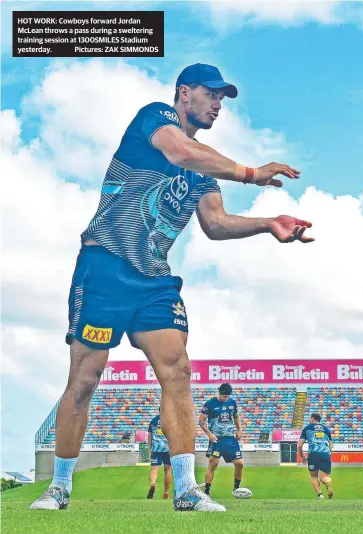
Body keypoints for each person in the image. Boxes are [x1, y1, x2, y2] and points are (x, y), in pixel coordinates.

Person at [30, 62, 314, 513]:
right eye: (212, 94)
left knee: (178, 371)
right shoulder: (156, 119)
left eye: (224, 98)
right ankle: (59, 486)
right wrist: (250, 173)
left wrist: (267, 223)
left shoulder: (205, 170)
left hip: (154, 281)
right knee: (85, 380)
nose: (219, 104)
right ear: (185, 93)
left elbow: (216, 224)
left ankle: (185, 490)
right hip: (104, 267)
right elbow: (180, 152)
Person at [199, 383, 244, 497]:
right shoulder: (210, 403)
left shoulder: (232, 403)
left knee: (239, 464)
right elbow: (201, 421)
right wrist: (209, 434)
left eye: (228, 396)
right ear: (219, 393)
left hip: (230, 439)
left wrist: (240, 430)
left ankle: (236, 489)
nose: (226, 398)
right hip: (216, 439)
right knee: (213, 464)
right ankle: (207, 492)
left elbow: (236, 416)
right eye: (224, 396)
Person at [297, 413, 334, 499]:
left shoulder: (307, 428)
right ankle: (328, 482)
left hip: (314, 454)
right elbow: (330, 447)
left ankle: (320, 495)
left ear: (313, 419)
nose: (308, 420)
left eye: (309, 418)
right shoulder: (326, 429)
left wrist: (302, 457)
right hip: (326, 453)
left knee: (313, 476)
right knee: (324, 477)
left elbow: (299, 445)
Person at [147, 410, 172, 500]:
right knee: (168, 470)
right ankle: (166, 493)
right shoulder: (170, 420)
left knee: (154, 469)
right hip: (167, 449)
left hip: (156, 449)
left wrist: (150, 450)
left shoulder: (153, 420)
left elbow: (149, 437)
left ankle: (153, 484)